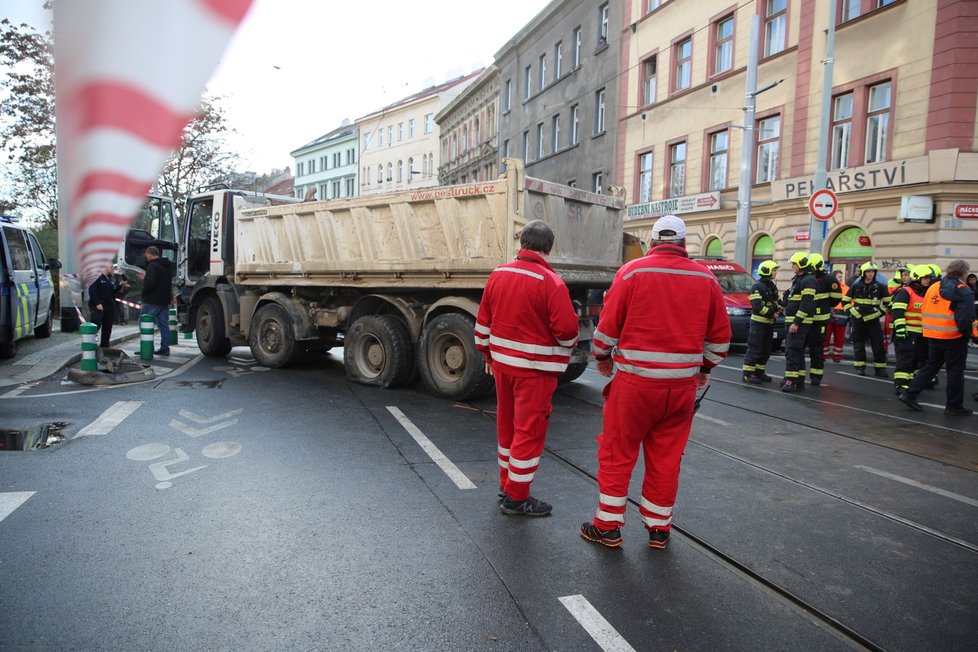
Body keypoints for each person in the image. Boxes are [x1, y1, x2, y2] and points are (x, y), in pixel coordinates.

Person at [580, 215, 731, 549]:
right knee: (666, 457)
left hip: (635, 386)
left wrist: (603, 359)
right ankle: (659, 529)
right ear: (683, 244)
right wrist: (704, 367)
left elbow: (606, 329)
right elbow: (721, 341)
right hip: (680, 390)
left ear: (651, 243)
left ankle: (607, 527)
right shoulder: (706, 279)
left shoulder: (632, 272)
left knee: (617, 452)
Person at [475, 220, 579, 517]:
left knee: (507, 428)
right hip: (535, 372)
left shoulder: (498, 274)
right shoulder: (551, 282)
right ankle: (517, 498)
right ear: (548, 248)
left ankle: (506, 485)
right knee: (528, 432)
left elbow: (483, 324)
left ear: (522, 243)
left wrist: (488, 354)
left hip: (503, 366)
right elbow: (567, 331)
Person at [898, 259, 978, 416]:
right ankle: (954, 406)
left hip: (932, 335)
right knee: (955, 372)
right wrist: (969, 335)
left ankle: (909, 394)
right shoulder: (963, 290)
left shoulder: (934, 286)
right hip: (954, 337)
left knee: (930, 367)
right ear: (963, 273)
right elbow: (966, 318)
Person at [890, 264, 932, 395]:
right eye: (925, 278)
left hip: (922, 333)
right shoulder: (905, 292)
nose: (928, 280)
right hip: (907, 332)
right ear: (917, 278)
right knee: (906, 358)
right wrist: (901, 328)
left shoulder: (927, 293)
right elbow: (897, 311)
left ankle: (912, 383)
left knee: (918, 358)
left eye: (929, 278)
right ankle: (901, 384)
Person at [846, 261, 890, 377]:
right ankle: (860, 367)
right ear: (863, 273)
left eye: (873, 272)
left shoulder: (880, 286)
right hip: (858, 319)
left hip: (873, 319)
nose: (871, 274)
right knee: (859, 344)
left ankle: (880, 369)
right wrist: (853, 312)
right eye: (868, 272)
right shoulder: (856, 286)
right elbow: (845, 301)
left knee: (878, 345)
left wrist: (879, 313)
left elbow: (887, 303)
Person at [781, 252, 817, 393]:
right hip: (794, 321)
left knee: (792, 351)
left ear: (801, 264)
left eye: (794, 264)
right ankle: (798, 379)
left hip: (799, 323)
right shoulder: (800, 279)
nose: (792, 266)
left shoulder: (808, 280)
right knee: (797, 350)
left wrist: (796, 322)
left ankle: (791, 380)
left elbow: (807, 303)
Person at [742, 259, 780, 384]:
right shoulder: (756, 287)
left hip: (769, 323)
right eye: (774, 270)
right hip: (758, 324)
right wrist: (772, 313)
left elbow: (776, 301)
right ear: (767, 271)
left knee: (766, 349)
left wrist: (780, 309)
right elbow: (757, 305)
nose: (775, 272)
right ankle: (748, 374)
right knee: (755, 348)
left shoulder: (772, 286)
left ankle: (759, 372)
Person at [807, 254, 839, 386]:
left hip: (819, 321)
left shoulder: (830, 280)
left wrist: (823, 306)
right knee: (799, 348)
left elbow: (836, 299)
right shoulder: (807, 279)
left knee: (817, 349)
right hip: (806, 319)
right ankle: (798, 375)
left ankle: (816, 376)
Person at [139, 246, 175, 355]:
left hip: (152, 299)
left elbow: (151, 282)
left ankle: (147, 348)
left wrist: (144, 292)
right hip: (164, 300)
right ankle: (165, 348)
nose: (146, 257)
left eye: (146, 255)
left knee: (143, 322)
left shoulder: (152, 265)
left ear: (149, 254)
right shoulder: (167, 266)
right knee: (164, 325)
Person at [87, 263, 127, 348]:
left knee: (108, 326)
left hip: (108, 305)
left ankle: (105, 345)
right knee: (96, 322)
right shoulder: (96, 277)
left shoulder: (109, 278)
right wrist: (97, 303)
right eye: (111, 266)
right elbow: (92, 291)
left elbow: (112, 293)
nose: (113, 268)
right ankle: (89, 341)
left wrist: (120, 286)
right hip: (98, 305)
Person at [823, 269, 849, 363]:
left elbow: (850, 301)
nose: (841, 279)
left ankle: (837, 356)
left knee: (839, 337)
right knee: (825, 336)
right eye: (839, 277)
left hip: (842, 313)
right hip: (829, 312)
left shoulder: (846, 288)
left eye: (842, 277)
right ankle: (824, 355)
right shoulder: (828, 286)